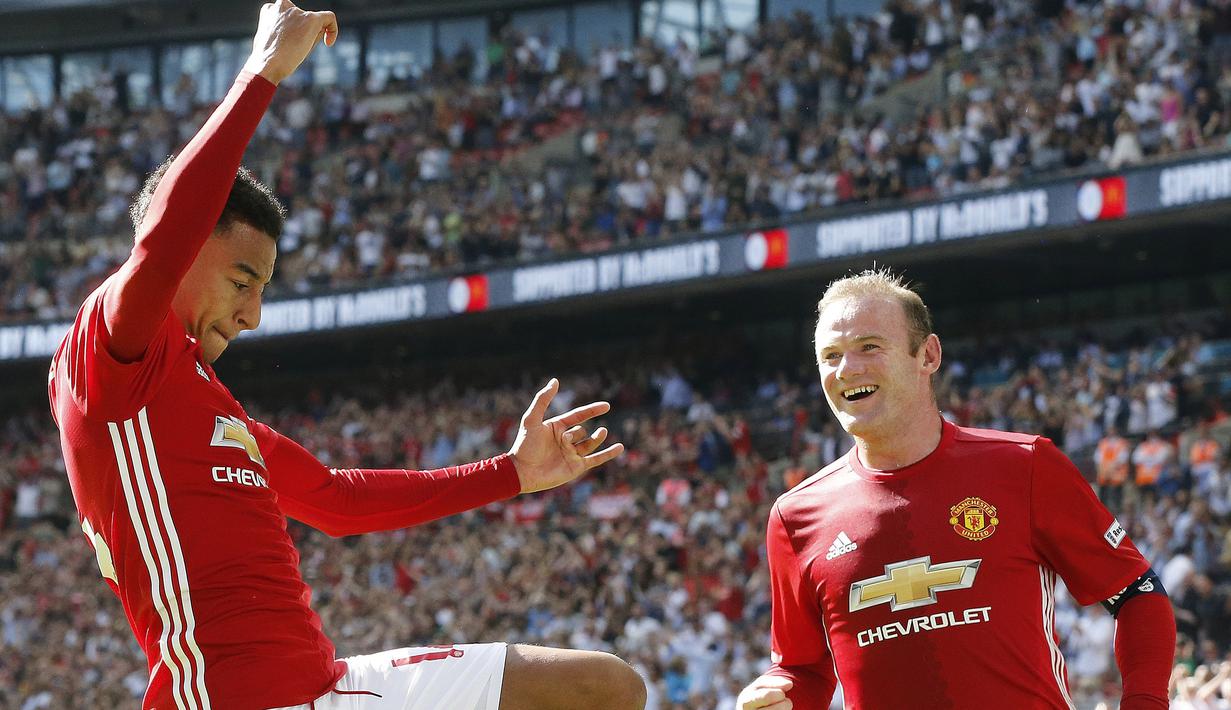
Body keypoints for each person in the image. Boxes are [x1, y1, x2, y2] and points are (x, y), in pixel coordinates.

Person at [46, 3, 646, 709]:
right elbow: (163, 236)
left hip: (330, 684)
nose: (253, 314)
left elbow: (336, 502)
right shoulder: (109, 359)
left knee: (602, 686)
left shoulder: (205, 402)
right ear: (186, 252)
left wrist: (510, 473)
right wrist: (261, 73)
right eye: (242, 282)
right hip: (235, 700)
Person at [737, 269, 1175, 709]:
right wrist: (776, 697)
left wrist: (1145, 702)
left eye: (869, 346)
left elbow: (1138, 595)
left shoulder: (1025, 466)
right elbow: (803, 670)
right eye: (830, 356)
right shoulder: (795, 517)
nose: (847, 369)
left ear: (927, 355)